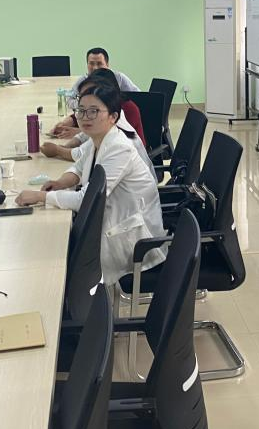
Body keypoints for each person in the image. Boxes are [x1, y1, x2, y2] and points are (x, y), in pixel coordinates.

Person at [15, 82, 167, 282]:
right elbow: (78, 167)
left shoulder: (119, 148)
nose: (85, 117)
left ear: (113, 116)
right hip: (109, 223)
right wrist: (60, 183)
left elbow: (88, 200)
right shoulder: (98, 138)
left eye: (94, 111)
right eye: (81, 110)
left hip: (132, 241)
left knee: (53, 258)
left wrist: (41, 196)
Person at [41, 72, 157, 180]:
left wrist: (57, 150)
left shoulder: (117, 135)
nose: (86, 99)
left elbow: (81, 155)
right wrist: (65, 146)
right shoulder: (103, 120)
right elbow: (83, 157)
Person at [52, 47, 140, 138]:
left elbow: (112, 134)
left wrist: (80, 132)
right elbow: (89, 111)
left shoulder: (126, 109)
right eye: (91, 64)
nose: (95, 68)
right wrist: (67, 122)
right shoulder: (86, 83)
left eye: (99, 63)